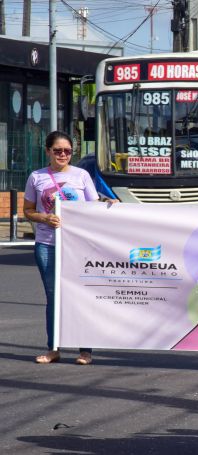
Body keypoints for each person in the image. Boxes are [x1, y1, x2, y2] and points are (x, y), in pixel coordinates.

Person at [23, 131, 114, 364]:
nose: (62, 155)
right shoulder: (36, 177)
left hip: (78, 245)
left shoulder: (82, 175)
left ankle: (86, 351)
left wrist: (108, 203)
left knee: (82, 294)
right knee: (53, 296)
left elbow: (93, 205)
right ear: (48, 151)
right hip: (47, 244)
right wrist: (44, 219)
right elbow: (28, 210)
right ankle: (53, 348)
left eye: (67, 151)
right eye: (57, 150)